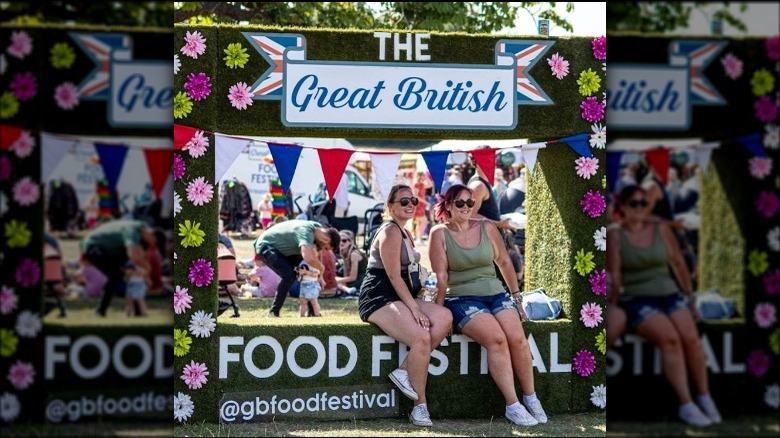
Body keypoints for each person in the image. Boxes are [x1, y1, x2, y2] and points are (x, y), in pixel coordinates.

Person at [428, 184, 547, 427]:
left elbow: (504, 262)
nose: (466, 208)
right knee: (497, 340)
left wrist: (516, 298)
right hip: (461, 298)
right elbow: (441, 277)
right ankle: (513, 405)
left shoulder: (486, 226)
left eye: (470, 203)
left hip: (496, 294)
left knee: (517, 339)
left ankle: (531, 398)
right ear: (448, 206)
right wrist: (440, 313)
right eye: (459, 203)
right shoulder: (439, 233)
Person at [606, 185, 721, 427]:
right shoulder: (615, 234)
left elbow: (678, 262)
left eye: (643, 203)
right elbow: (615, 276)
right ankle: (686, 404)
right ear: (622, 207)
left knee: (691, 338)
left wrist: (690, 299)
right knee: (671, 339)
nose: (639, 208)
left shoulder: (660, 228)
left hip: (670, 294)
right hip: (636, 298)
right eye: (633, 204)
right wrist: (613, 308)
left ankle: (705, 396)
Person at [357, 184, 453, 427]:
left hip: (401, 295)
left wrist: (422, 292)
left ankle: (404, 369)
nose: (410, 204)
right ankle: (420, 406)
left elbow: (407, 274)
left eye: (413, 200)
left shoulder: (406, 232)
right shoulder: (389, 231)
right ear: (390, 207)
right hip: (379, 296)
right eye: (403, 201)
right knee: (421, 337)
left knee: (444, 317)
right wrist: (416, 308)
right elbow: (393, 277)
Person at [253, 219, 341, 318]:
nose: (323, 250)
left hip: (283, 250)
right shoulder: (306, 231)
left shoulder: (317, 229)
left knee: (301, 274)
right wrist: (321, 267)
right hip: (266, 246)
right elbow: (308, 257)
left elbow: (316, 253)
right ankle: (273, 312)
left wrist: (318, 273)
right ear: (326, 240)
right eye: (326, 248)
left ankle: (312, 313)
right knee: (289, 276)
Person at [79, 219, 157, 317]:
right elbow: (134, 256)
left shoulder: (142, 227)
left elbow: (135, 257)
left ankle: (138, 311)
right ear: (151, 236)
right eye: (153, 244)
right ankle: (100, 311)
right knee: (115, 276)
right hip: (94, 246)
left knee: (126, 273)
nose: (151, 248)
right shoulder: (132, 230)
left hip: (111, 249)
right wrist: (148, 268)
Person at [335, 229, 366, 296]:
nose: (341, 243)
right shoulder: (345, 253)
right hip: (356, 280)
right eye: (339, 240)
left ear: (350, 242)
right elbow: (346, 275)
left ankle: (348, 290)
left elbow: (353, 277)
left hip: (362, 280)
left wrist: (336, 280)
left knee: (333, 282)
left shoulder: (354, 254)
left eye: (344, 240)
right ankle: (348, 290)